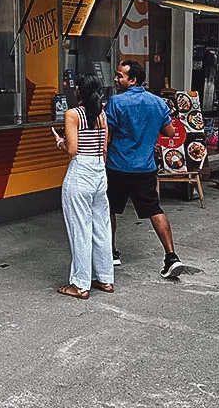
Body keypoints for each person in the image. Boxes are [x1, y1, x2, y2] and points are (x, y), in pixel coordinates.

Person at [106, 59, 183, 279]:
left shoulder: (115, 102)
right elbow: (169, 132)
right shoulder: (158, 103)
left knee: (110, 210)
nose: (116, 78)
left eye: (120, 75)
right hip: (145, 167)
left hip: (118, 166)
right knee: (154, 210)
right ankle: (171, 257)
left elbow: (107, 133)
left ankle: (110, 253)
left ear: (133, 80)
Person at [54, 73, 115, 300]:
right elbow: (105, 148)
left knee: (79, 228)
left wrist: (59, 141)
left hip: (80, 172)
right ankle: (105, 278)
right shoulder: (102, 114)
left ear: (79, 90)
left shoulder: (72, 114)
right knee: (101, 227)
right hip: (99, 171)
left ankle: (80, 284)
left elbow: (72, 149)